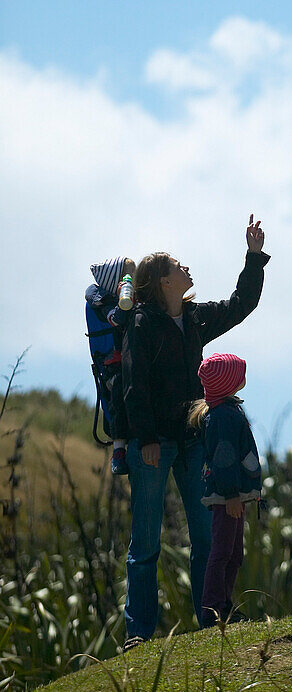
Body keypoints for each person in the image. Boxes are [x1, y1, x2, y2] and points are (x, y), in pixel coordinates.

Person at [121, 216, 268, 651]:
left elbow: (242, 303)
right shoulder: (142, 324)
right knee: (145, 542)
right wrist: (145, 437)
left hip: (191, 441)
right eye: (179, 267)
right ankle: (139, 635)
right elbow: (134, 385)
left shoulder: (196, 318)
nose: (188, 270)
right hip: (152, 444)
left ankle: (212, 620)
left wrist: (254, 257)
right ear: (162, 281)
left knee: (207, 536)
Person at [189, 352, 262, 627]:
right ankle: (212, 610)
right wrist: (231, 494)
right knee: (222, 552)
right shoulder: (222, 417)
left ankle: (225, 605)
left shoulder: (226, 411)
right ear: (227, 383)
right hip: (227, 496)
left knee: (233, 554)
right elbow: (224, 458)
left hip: (233, 495)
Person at [85, 256, 136, 474]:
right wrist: (125, 303)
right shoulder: (103, 301)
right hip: (113, 365)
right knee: (118, 392)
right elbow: (116, 319)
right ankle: (118, 450)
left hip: (132, 358)